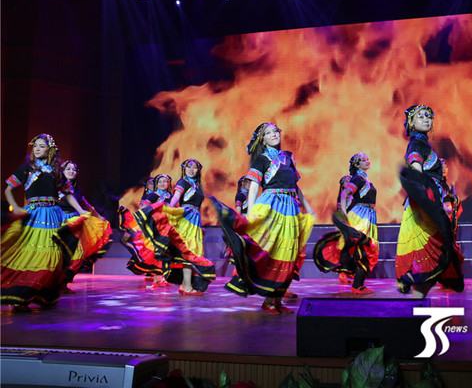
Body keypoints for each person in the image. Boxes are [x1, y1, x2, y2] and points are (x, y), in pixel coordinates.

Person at [210, 122, 315, 314]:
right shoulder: (261, 159)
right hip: (272, 204)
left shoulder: (288, 157)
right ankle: (268, 301)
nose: (274, 134)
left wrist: (308, 207)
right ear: (263, 139)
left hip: (290, 207)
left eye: (276, 131)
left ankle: (278, 300)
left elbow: (295, 185)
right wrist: (251, 213)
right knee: (273, 252)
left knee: (289, 254)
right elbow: (253, 186)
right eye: (268, 133)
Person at [1, 134, 88, 310]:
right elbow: (8, 189)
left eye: (41, 146)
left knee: (51, 255)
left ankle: (43, 294)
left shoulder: (56, 170)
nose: (37, 149)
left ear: (50, 149)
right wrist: (15, 207)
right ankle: (22, 295)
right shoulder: (27, 168)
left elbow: (67, 194)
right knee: (29, 254)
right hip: (34, 215)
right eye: (35, 146)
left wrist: (80, 210)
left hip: (53, 215)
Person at [395, 105, 464, 298]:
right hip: (424, 207)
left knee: (432, 258)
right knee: (427, 258)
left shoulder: (423, 144)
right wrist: (428, 204)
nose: (427, 119)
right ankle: (415, 305)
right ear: (411, 123)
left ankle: (416, 304)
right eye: (421, 117)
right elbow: (416, 176)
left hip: (429, 203)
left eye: (429, 116)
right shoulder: (417, 145)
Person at [135, 160, 216, 295]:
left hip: (194, 221)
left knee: (190, 254)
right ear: (184, 169)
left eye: (194, 167)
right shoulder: (182, 182)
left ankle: (185, 286)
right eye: (189, 167)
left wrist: (200, 226)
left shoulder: (196, 186)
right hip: (186, 219)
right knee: (188, 254)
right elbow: (176, 197)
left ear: (198, 170)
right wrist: (169, 209)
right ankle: (186, 287)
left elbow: (197, 206)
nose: (191, 169)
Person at [313, 153, 379, 294]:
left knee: (367, 249)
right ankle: (357, 285)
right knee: (364, 249)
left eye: (368, 159)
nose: (367, 161)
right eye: (363, 160)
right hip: (360, 216)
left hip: (368, 216)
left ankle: (357, 284)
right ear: (357, 165)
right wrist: (344, 216)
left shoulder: (364, 179)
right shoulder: (357, 178)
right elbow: (344, 195)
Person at [57, 160, 112, 293]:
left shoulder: (76, 188)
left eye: (74, 170)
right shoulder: (57, 185)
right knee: (60, 254)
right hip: (60, 221)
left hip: (75, 221)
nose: (71, 172)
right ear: (62, 171)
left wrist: (99, 217)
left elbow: (85, 204)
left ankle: (64, 283)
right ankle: (55, 284)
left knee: (78, 254)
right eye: (68, 169)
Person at [126, 174, 173, 287]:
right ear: (157, 184)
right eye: (160, 182)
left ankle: (164, 278)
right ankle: (156, 280)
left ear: (168, 183)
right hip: (155, 226)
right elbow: (142, 209)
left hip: (167, 226)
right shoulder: (152, 195)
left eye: (165, 181)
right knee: (155, 252)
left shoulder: (171, 196)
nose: (162, 184)